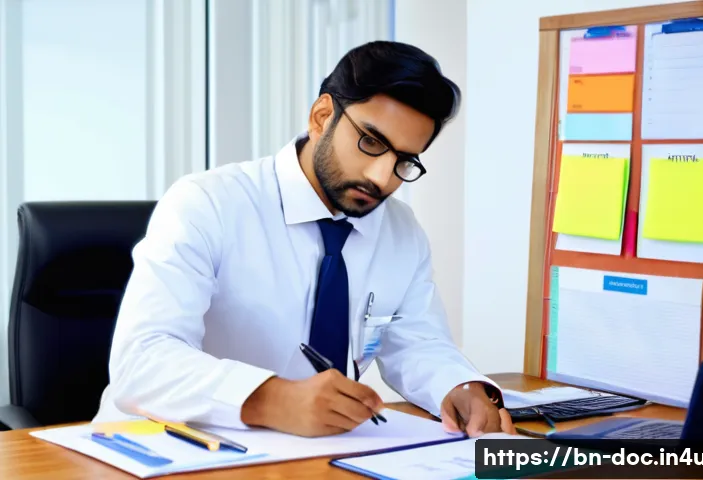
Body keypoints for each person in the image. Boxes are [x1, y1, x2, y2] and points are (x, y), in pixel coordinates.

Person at [94, 40, 515, 438]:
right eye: (371, 142)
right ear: (321, 117)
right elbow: (142, 359)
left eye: (404, 161)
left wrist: (459, 386)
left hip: (316, 453)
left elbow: (418, 341)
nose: (382, 178)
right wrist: (271, 398)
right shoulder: (207, 203)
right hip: (172, 445)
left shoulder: (400, 230)